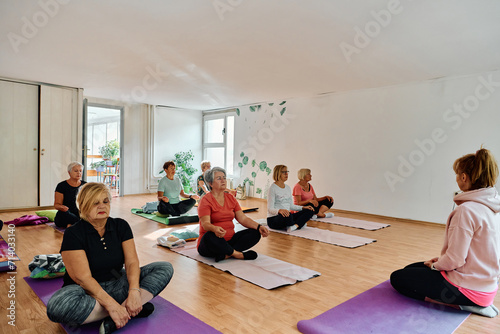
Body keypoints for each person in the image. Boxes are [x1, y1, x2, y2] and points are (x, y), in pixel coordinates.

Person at [46, 183, 173, 333]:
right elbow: (83, 279)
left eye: (105, 201)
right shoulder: (73, 233)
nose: (101, 206)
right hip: (87, 293)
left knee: (164, 268)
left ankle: (120, 311)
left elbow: (131, 262)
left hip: (118, 284)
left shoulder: (121, 225)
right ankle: (127, 310)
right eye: (95, 202)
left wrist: (134, 291)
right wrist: (112, 306)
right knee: (56, 307)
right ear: (83, 205)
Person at [390, 147, 500, 318]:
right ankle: (476, 302)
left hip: (467, 289)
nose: (456, 178)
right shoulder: (493, 207)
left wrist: (437, 265)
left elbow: (455, 259)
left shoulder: (467, 211)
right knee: (412, 268)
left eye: (457, 174)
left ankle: (462, 305)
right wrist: (439, 261)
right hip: (487, 287)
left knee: (398, 278)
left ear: (463, 177)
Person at [197, 167, 269, 262]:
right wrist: (214, 229)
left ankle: (227, 253)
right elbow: (205, 224)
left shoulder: (230, 198)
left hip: (229, 241)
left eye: (224, 177)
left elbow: (242, 218)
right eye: (219, 178)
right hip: (211, 244)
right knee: (209, 236)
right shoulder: (205, 200)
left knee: (255, 232)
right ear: (210, 183)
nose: (223, 180)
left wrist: (259, 226)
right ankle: (237, 254)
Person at [267, 165, 315, 232]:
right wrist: (279, 211)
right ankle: (299, 223)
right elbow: (270, 209)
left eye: (287, 172)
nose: (286, 174)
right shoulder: (272, 188)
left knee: (310, 210)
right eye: (284, 172)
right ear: (277, 173)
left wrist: (303, 207)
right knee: (288, 215)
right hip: (274, 219)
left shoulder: (288, 188)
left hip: (288, 216)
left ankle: (295, 225)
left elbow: (291, 206)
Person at [54, 162, 87, 228]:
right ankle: (78, 225)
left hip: (80, 213)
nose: (79, 173)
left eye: (80, 171)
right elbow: (57, 205)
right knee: (64, 214)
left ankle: (73, 225)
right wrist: (62, 208)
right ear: (69, 172)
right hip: (66, 213)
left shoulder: (85, 185)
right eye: (76, 171)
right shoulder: (61, 186)